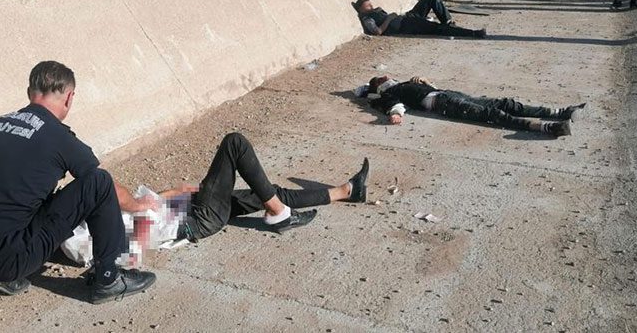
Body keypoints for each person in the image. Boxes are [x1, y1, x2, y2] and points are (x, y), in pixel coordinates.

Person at [0, 61, 158, 304]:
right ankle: (109, 278)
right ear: (69, 97)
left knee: (27, 193)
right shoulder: (58, 136)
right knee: (99, 182)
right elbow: (104, 187)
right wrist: (137, 205)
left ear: (30, 92)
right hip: (5, 262)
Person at [173, 133, 369, 242]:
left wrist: (183, 192)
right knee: (235, 143)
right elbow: (156, 214)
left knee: (267, 193)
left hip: (192, 206)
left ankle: (348, 191)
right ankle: (279, 213)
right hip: (199, 217)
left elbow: (159, 200)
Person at [357, 76, 586, 138]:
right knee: (492, 114)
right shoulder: (388, 93)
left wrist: (425, 82)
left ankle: (559, 112)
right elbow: (393, 105)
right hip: (444, 104)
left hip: (449, 95)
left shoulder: (406, 83)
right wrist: (396, 114)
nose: (387, 76)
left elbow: (430, 90)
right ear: (379, 85)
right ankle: (547, 127)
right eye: (382, 78)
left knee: (504, 103)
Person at [352, 0, 487, 39]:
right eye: (368, 6)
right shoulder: (367, 18)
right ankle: (474, 33)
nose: (371, 7)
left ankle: (448, 21)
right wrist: (389, 18)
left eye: (371, 4)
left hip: (408, 18)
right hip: (407, 26)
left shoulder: (372, 13)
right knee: (437, 29)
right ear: (361, 10)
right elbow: (377, 32)